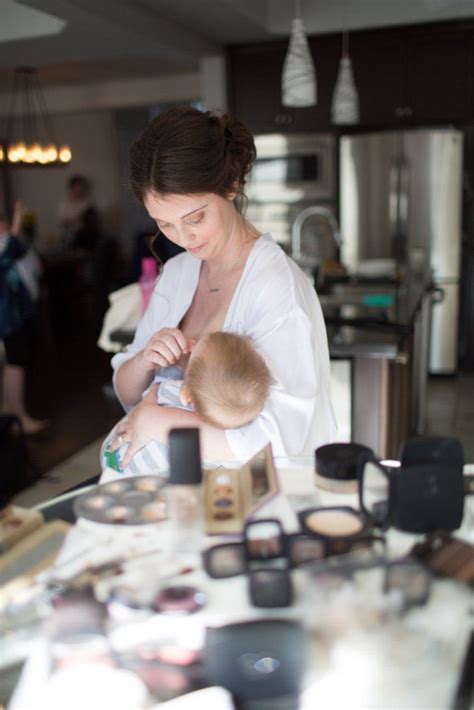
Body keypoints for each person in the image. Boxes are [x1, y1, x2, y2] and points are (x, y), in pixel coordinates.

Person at [106, 105, 336, 469]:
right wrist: (144, 359)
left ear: (231, 185)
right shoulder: (178, 274)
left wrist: (156, 422)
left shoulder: (274, 287)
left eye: (195, 218)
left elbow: (276, 438)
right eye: (164, 224)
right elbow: (126, 391)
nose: (183, 238)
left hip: (245, 501)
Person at [102, 331, 273, 477]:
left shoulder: (170, 389)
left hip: (118, 462)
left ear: (186, 395)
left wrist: (174, 373)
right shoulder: (229, 439)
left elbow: (147, 397)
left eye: (192, 357)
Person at [0, 201, 49, 434]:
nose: (7, 228)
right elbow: (12, 248)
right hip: (7, 315)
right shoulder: (5, 246)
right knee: (15, 361)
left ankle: (10, 412)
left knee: (13, 361)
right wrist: (18, 220)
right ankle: (17, 414)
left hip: (11, 313)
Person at [57, 174, 96, 247]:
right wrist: (76, 219)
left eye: (81, 187)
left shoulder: (86, 204)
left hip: (85, 237)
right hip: (68, 236)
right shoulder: (64, 204)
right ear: (72, 187)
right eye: (77, 186)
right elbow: (61, 222)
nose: (80, 189)